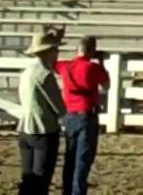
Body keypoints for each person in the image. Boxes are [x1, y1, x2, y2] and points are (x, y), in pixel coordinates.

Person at [55, 37, 109, 195]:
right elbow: (106, 86)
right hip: (87, 115)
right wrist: (101, 62)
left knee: (70, 156)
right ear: (92, 51)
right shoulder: (92, 67)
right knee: (83, 159)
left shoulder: (66, 66)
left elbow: (53, 64)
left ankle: (67, 190)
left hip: (70, 114)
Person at [17, 30, 65, 195]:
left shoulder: (26, 72)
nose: (58, 53)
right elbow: (57, 105)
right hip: (43, 128)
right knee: (41, 177)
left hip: (25, 127)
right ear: (48, 51)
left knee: (28, 176)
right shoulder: (44, 74)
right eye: (56, 49)